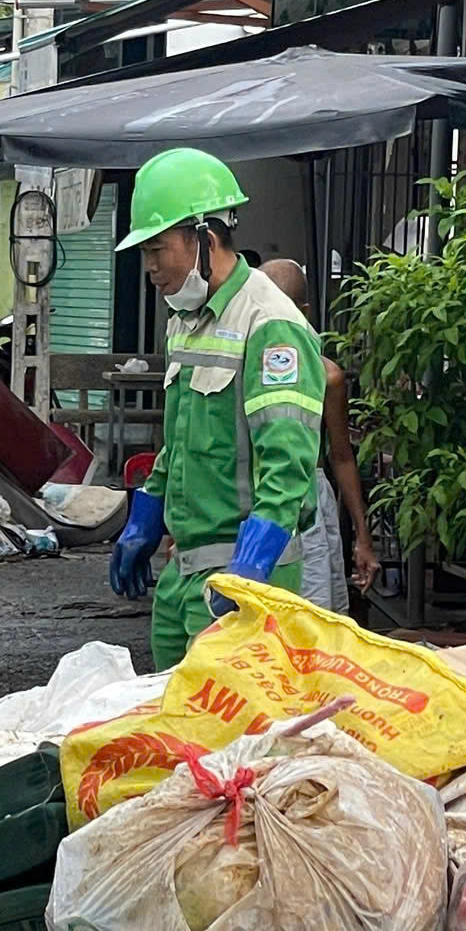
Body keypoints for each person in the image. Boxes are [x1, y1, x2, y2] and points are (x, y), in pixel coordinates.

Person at [107, 149, 324, 668]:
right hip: (184, 573)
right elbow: (180, 439)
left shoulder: (272, 325)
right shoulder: (185, 317)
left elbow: (288, 466)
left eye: (158, 249)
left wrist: (253, 567)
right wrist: (144, 517)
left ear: (204, 237)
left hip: (244, 578)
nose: (151, 268)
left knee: (232, 739)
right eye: (144, 253)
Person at [258, 257, 379, 610]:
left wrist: (362, 536)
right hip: (256, 496)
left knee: (311, 615)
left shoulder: (327, 377)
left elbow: (341, 456)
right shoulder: (244, 365)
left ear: (303, 312)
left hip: (309, 500)